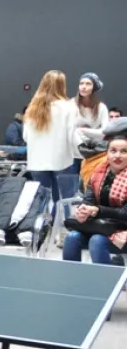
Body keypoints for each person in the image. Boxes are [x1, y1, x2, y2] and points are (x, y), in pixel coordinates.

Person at [64, 133, 127, 265]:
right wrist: (84, 209)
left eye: (124, 151)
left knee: (97, 241)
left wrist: (97, 210)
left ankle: (108, 284)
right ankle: (70, 281)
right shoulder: (98, 173)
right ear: (107, 154)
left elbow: (124, 213)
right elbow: (88, 199)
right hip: (101, 226)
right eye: (113, 151)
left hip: (123, 229)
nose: (117, 156)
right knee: (72, 237)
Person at [24, 70, 79, 204]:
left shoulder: (32, 108)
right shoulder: (69, 107)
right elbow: (72, 136)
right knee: (64, 201)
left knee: (40, 201)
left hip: (36, 161)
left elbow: (26, 136)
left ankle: (41, 224)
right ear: (62, 85)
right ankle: (62, 225)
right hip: (62, 161)